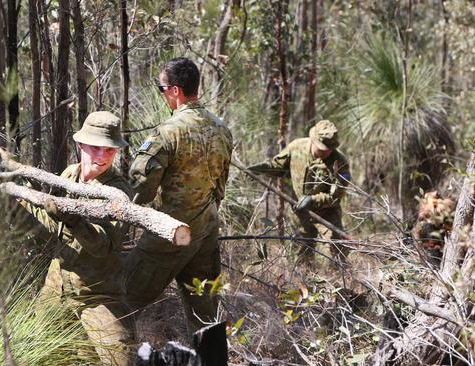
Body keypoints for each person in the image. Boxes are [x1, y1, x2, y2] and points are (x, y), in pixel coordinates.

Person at [122, 57, 233, 336]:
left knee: (120, 297)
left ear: (175, 91)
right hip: (206, 232)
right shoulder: (222, 129)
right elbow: (220, 187)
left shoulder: (168, 132)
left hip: (171, 233)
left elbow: (141, 188)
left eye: (162, 89)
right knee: (206, 317)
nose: (162, 95)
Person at [19, 111, 133, 366]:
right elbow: (52, 227)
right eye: (95, 148)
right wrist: (23, 202)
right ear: (80, 144)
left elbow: (103, 246)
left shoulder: (118, 192)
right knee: (38, 356)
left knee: (121, 359)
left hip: (99, 293)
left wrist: (75, 220)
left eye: (109, 150)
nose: (102, 157)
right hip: (56, 288)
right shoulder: (69, 175)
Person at [247, 119, 351, 266]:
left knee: (337, 250)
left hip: (327, 213)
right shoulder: (296, 147)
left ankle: (341, 283)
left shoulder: (339, 163)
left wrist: (313, 200)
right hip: (300, 211)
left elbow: (335, 197)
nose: (326, 152)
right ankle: (303, 281)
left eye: (329, 149)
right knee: (301, 252)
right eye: (321, 148)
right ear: (313, 140)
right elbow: (278, 166)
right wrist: (261, 169)